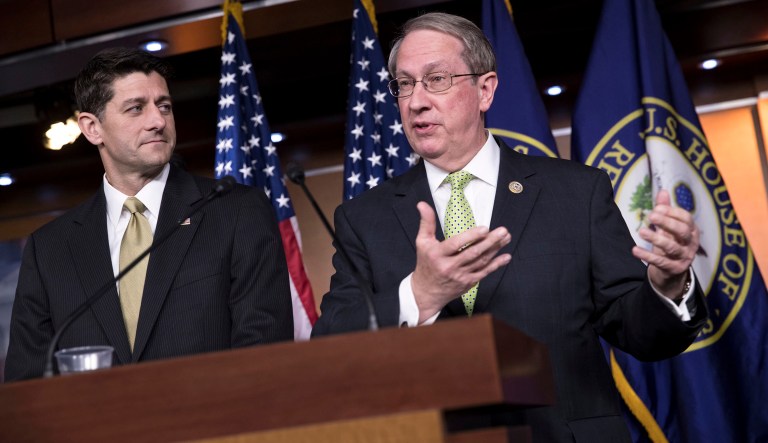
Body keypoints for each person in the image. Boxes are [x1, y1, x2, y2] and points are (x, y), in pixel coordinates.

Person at [311, 12, 707, 442]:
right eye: (404, 84)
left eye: (436, 79)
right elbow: (333, 350)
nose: (416, 100)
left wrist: (668, 284)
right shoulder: (364, 217)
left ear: (485, 90)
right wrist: (419, 294)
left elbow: (641, 334)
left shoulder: (575, 193)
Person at [5, 47, 293, 381]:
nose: (158, 121)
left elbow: (264, 356)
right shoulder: (49, 249)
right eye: (136, 108)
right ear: (91, 128)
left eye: (164, 106)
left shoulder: (238, 211)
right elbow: (26, 383)